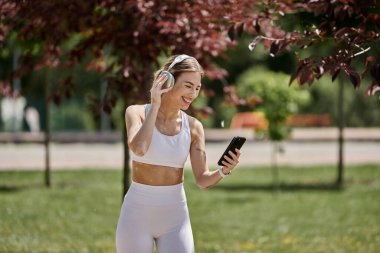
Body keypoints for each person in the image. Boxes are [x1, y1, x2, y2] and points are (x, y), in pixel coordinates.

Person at [116, 54, 241, 253]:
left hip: (176, 219)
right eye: (188, 86)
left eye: (197, 88)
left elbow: (202, 180)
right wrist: (155, 104)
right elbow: (139, 148)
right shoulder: (136, 113)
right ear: (168, 80)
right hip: (136, 216)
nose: (193, 94)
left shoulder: (194, 127)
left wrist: (224, 171)